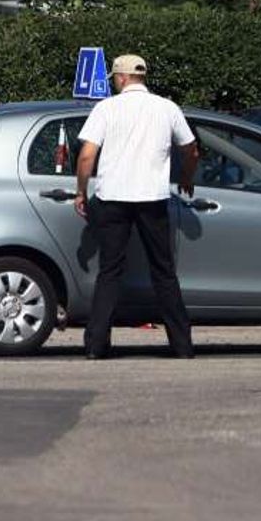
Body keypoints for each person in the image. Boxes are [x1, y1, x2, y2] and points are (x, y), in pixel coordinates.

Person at [74, 54, 200, 360]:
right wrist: (185, 177)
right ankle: (182, 345)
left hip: (113, 198)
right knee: (164, 272)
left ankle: (96, 346)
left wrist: (80, 191)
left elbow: (87, 155)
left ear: (120, 78)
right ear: (141, 77)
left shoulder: (105, 108)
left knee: (110, 272)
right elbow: (191, 149)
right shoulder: (167, 108)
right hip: (152, 199)